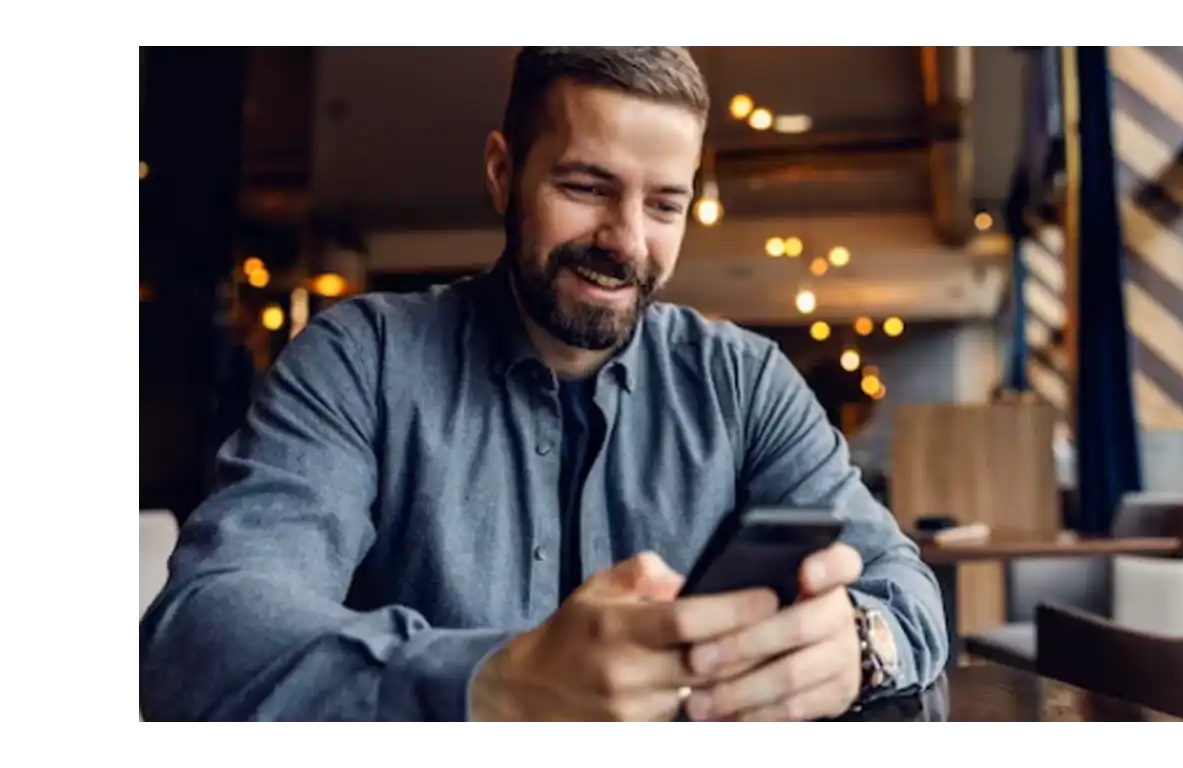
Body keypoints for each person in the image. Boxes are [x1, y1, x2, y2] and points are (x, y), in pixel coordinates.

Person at [137, 42, 947, 727]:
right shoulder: (361, 359)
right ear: (502, 173)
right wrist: (491, 682)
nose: (625, 242)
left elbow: (905, 586)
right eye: (586, 188)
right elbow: (201, 638)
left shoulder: (746, 382)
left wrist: (862, 646)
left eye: (665, 205)